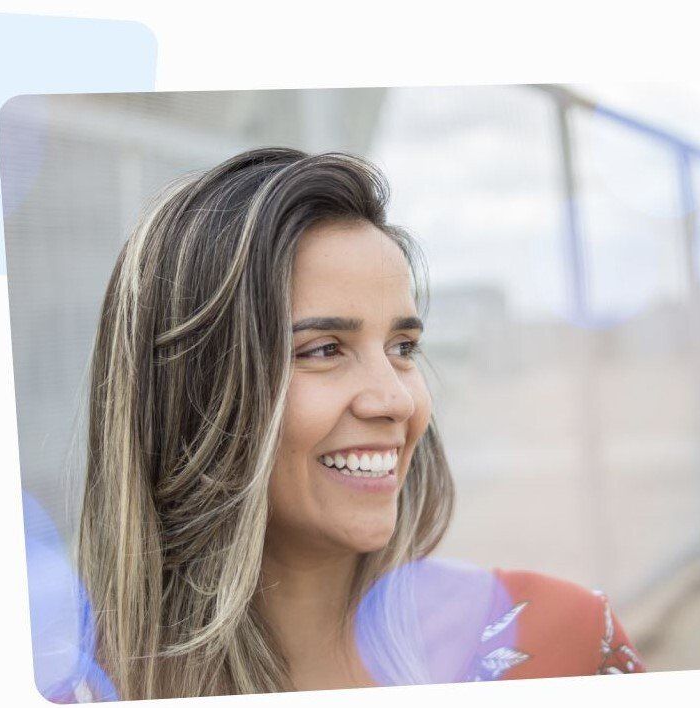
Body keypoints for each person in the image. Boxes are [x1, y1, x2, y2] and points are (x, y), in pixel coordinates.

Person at [70, 148, 643, 701]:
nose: (395, 399)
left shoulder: (566, 645)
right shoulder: (83, 690)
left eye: (402, 346)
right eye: (323, 349)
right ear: (193, 394)